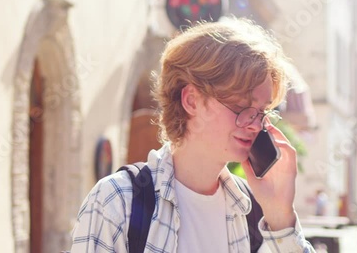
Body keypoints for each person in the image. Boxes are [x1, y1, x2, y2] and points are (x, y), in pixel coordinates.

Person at [70, 17, 315, 252]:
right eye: (242, 106)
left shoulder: (253, 210)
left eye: (262, 111)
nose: (255, 125)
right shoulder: (117, 201)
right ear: (191, 100)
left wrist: (282, 218)